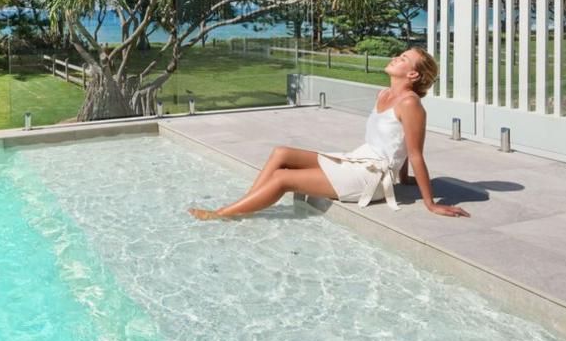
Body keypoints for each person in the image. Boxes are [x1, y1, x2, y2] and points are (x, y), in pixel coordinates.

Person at [188, 47, 471, 220]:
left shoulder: (411, 104)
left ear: (413, 75)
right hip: (358, 158)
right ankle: (246, 204)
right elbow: (400, 142)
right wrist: (404, 177)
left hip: (369, 177)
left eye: (404, 59)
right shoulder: (384, 93)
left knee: (283, 178)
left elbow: (415, 152)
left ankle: (222, 215)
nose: (396, 57)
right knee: (281, 153)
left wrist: (431, 204)